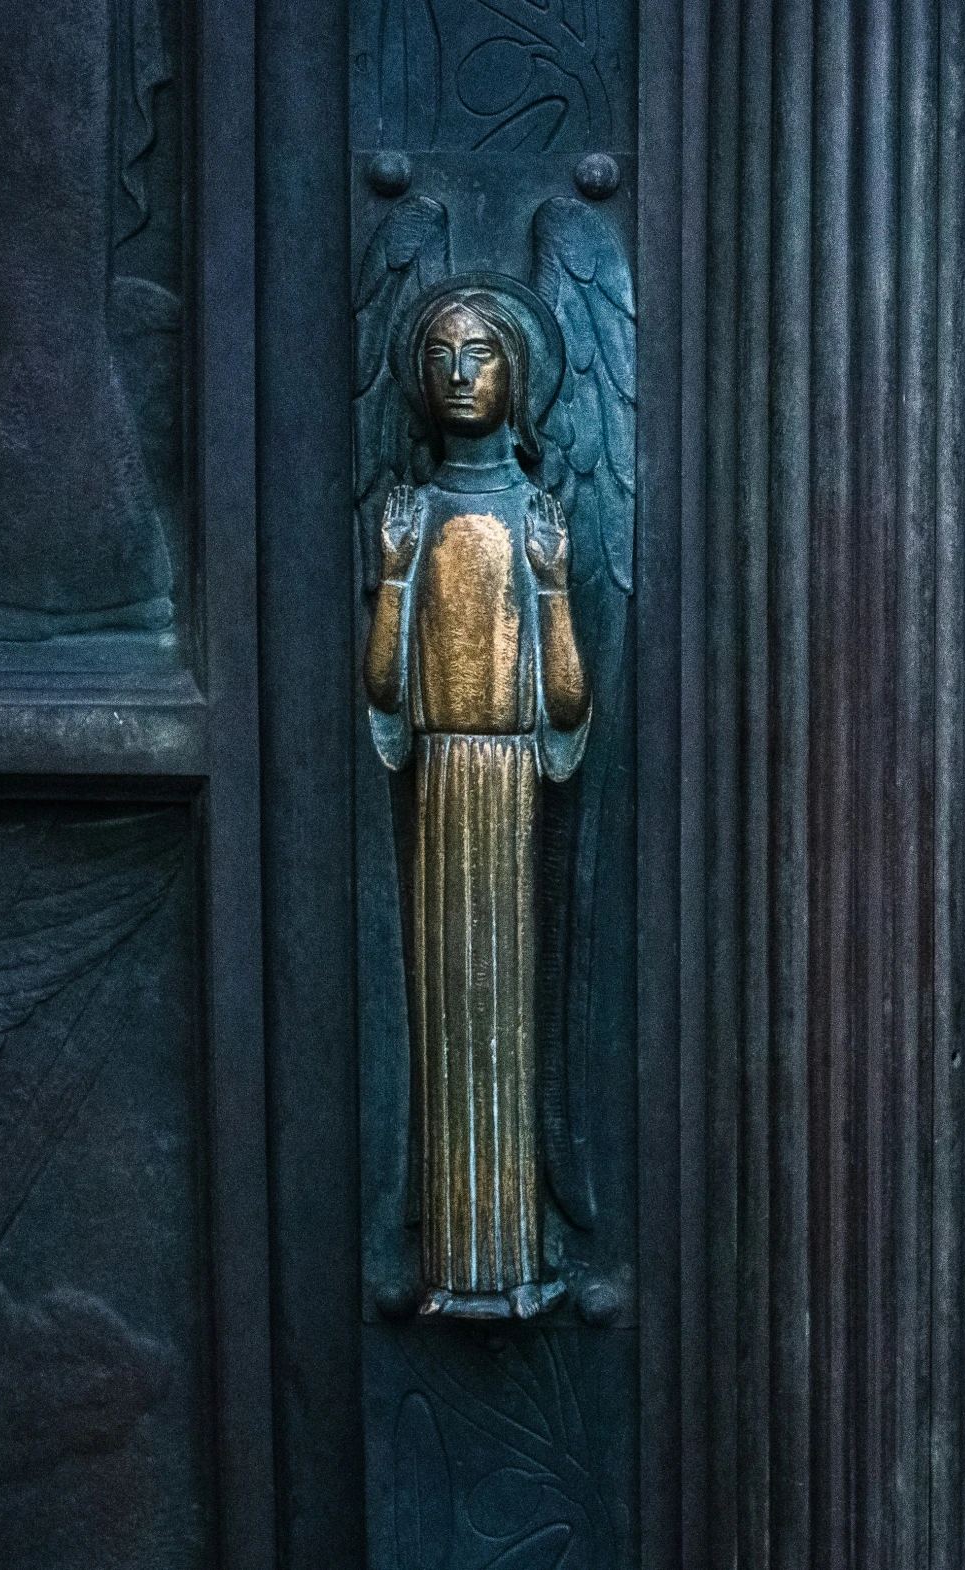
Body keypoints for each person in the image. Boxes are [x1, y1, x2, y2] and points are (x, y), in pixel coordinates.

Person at [366, 281, 590, 1320]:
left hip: (504, 793)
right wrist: (395, 574)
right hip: (443, 789)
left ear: (518, 378)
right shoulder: (413, 516)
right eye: (444, 356)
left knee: (504, 1017)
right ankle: (453, 1257)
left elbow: (568, 697)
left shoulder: (531, 514)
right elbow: (382, 691)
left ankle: (513, 1253)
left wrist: (550, 580)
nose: (460, 375)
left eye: (481, 356)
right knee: (449, 1020)